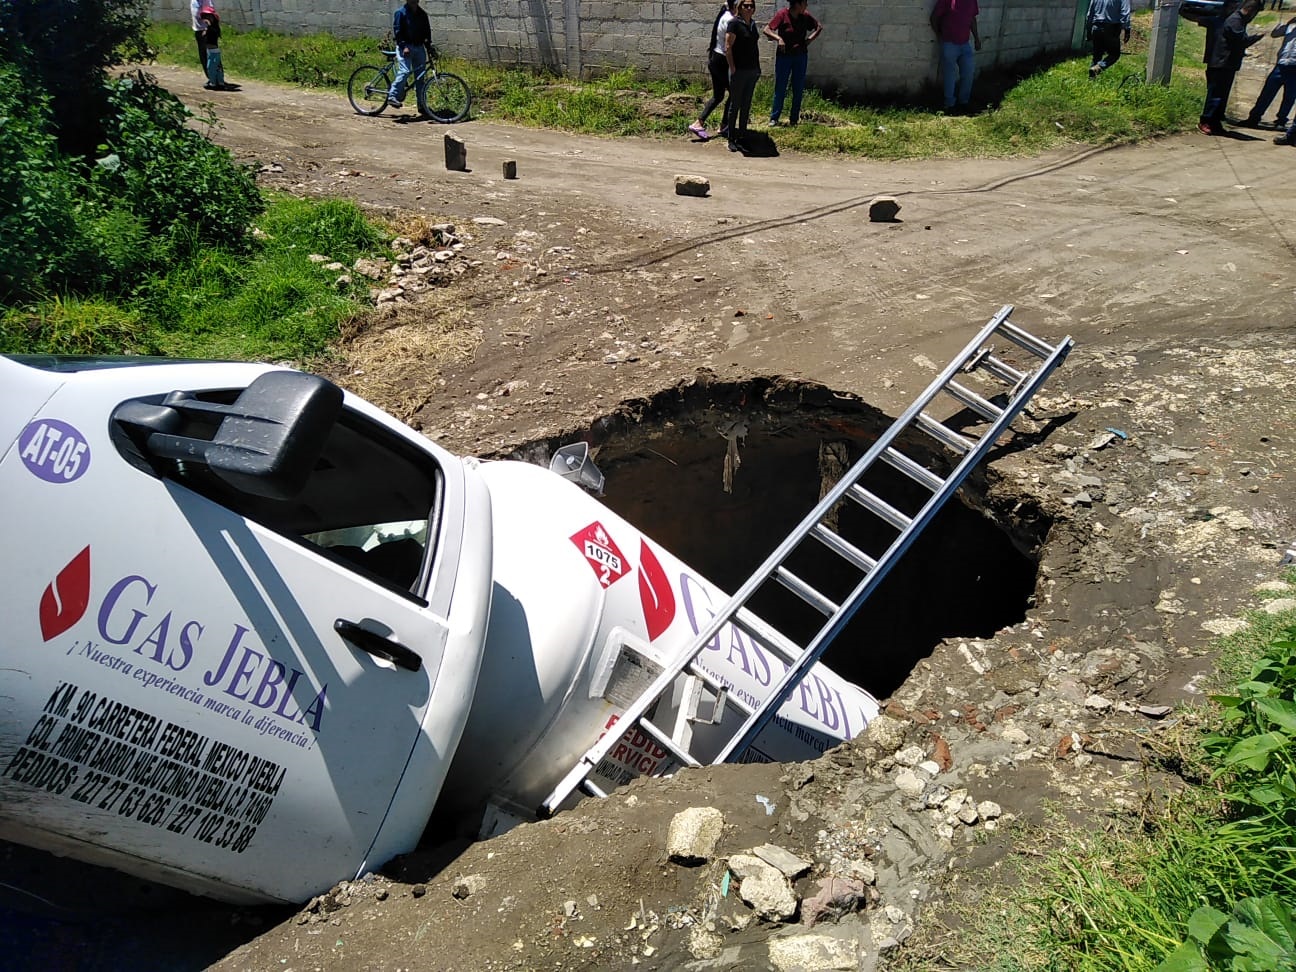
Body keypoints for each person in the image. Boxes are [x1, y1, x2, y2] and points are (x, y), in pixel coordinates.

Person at [1199, 0, 1266, 135]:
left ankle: (1215, 122)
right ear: (1251, 10)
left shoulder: (1237, 20)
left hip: (1226, 64)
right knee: (1215, 96)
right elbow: (1241, 41)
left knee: (1221, 96)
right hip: (1221, 64)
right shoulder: (1235, 21)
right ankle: (1206, 121)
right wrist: (1256, 38)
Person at [763, 0, 823, 127]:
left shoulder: (805, 16)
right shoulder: (782, 14)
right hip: (784, 57)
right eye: (804, 3)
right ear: (798, 4)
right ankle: (774, 117)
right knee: (780, 87)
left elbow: (819, 27)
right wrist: (779, 39)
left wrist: (809, 40)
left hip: (800, 56)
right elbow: (767, 29)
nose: (806, 6)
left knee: (798, 87)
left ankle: (794, 118)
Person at [689, 1, 736, 140]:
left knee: (718, 95)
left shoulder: (725, 15)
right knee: (734, 93)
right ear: (735, 6)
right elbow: (731, 45)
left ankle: (700, 123)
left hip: (716, 59)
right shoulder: (730, 20)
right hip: (721, 61)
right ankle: (723, 125)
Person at [1240, 16, 1296, 129]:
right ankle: (1254, 118)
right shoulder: (1290, 27)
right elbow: (1274, 34)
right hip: (1281, 64)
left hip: (1294, 67)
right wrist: (1289, 22)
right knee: (1267, 92)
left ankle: (1281, 121)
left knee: (1289, 96)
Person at [929, 0, 982, 114]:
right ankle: (949, 104)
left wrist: (977, 39)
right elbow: (934, 17)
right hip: (949, 43)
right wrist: (940, 36)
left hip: (965, 44)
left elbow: (972, 19)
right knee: (950, 74)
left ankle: (964, 102)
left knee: (968, 72)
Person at [724, 0, 762, 152]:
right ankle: (731, 138)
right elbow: (728, 46)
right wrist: (733, 67)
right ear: (739, 7)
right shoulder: (734, 23)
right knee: (735, 105)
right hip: (739, 71)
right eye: (745, 5)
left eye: (751, 6)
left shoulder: (752, 24)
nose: (748, 8)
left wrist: (757, 69)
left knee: (746, 105)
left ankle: (742, 136)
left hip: (752, 70)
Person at [387, 0, 432, 110]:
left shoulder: (422, 14)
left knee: (420, 77)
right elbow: (398, 32)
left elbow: (427, 32)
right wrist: (403, 46)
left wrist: (429, 47)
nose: (413, 1)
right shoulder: (400, 13)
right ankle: (392, 95)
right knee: (405, 71)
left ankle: (422, 105)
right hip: (405, 48)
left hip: (419, 48)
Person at [1085, 0, 1131, 78]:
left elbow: (1090, 14)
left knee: (1097, 54)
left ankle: (1091, 77)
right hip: (1111, 28)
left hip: (1096, 27)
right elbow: (1125, 12)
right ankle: (1099, 67)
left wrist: (1089, 30)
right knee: (1114, 54)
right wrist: (1127, 29)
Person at [199, 7, 227, 91]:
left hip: (213, 51)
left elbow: (211, 33)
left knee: (211, 67)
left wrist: (208, 27)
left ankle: (213, 83)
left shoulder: (214, 29)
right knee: (217, 67)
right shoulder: (209, 29)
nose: (207, 19)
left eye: (209, 17)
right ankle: (220, 82)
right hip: (211, 51)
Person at [190, 0, 209, 79]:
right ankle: (210, 78)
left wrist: (207, 29)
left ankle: (216, 78)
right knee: (203, 56)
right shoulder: (193, 1)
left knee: (210, 55)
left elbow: (210, 14)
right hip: (198, 31)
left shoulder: (206, 1)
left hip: (205, 31)